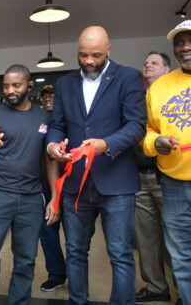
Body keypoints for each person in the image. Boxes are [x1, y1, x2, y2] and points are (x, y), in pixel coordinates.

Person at [46, 26, 146, 305]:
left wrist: (106, 144)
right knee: (76, 251)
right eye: (83, 55)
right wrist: (53, 146)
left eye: (96, 55)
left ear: (109, 50)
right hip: (75, 182)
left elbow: (137, 125)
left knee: (120, 254)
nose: (89, 61)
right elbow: (57, 126)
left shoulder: (128, 77)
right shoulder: (65, 83)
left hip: (116, 182)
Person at [0, 65, 59, 305]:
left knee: (26, 259)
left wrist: (55, 197)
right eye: (6, 86)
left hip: (31, 197)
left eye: (16, 85)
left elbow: (49, 162)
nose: (10, 90)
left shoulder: (43, 118)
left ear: (29, 86)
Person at [142, 20, 191, 305]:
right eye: (179, 42)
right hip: (172, 184)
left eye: (189, 40)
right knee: (181, 256)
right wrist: (154, 143)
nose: (185, 47)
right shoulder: (159, 88)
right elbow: (148, 130)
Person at [135, 51, 175, 302]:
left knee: (176, 237)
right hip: (139, 177)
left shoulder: (175, 97)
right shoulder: (137, 100)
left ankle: (185, 291)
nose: (147, 65)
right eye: (145, 62)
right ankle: (157, 287)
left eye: (154, 63)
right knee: (146, 238)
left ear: (167, 70)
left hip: (168, 176)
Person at [37, 84, 68, 292]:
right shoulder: (37, 120)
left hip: (73, 182)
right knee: (47, 231)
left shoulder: (67, 119)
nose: (48, 99)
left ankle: (77, 274)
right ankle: (56, 275)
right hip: (44, 185)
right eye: (45, 97)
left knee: (76, 236)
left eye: (53, 96)